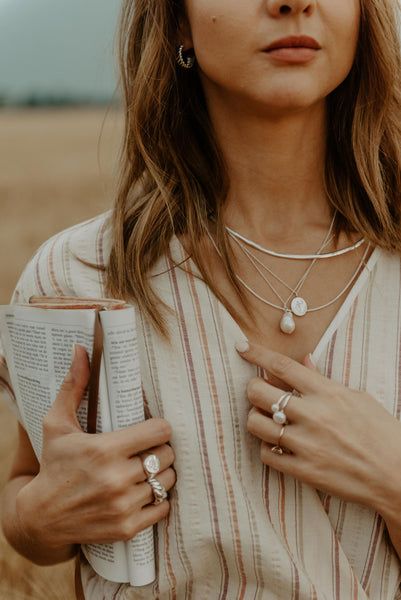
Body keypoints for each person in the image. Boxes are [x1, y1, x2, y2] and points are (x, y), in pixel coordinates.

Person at [1, 0, 401, 597]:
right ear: (177, 20)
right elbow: (29, 497)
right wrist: (37, 518)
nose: (292, 2)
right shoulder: (79, 276)